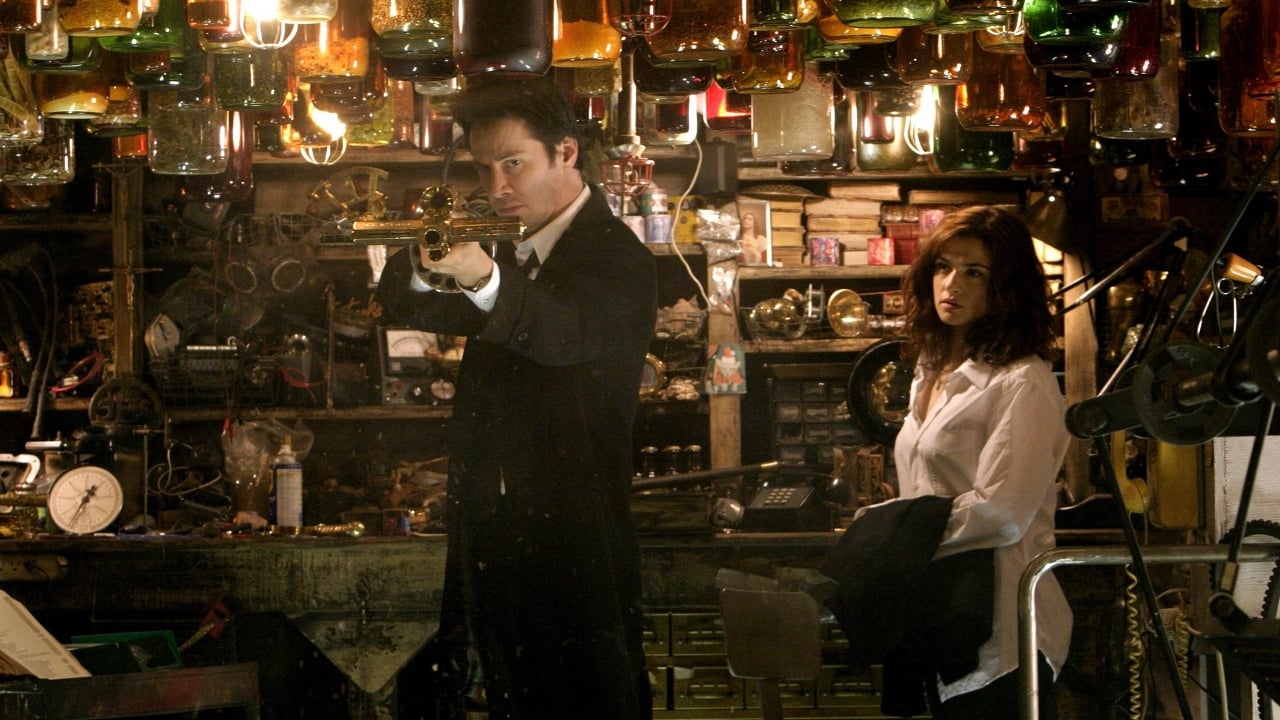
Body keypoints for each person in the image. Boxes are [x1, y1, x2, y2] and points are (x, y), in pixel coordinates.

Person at [374, 77, 657, 720]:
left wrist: (482, 275)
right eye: (483, 168)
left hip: (575, 545)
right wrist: (425, 257)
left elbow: (561, 334)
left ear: (566, 152)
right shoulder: (513, 251)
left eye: (513, 163)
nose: (497, 186)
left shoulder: (619, 258)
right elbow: (405, 302)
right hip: (494, 537)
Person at [892, 205, 1072, 719]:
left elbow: (1003, 511)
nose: (952, 284)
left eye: (974, 272)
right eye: (943, 267)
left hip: (1003, 632)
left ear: (1006, 287)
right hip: (942, 613)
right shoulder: (930, 371)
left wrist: (897, 534)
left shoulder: (1022, 380)